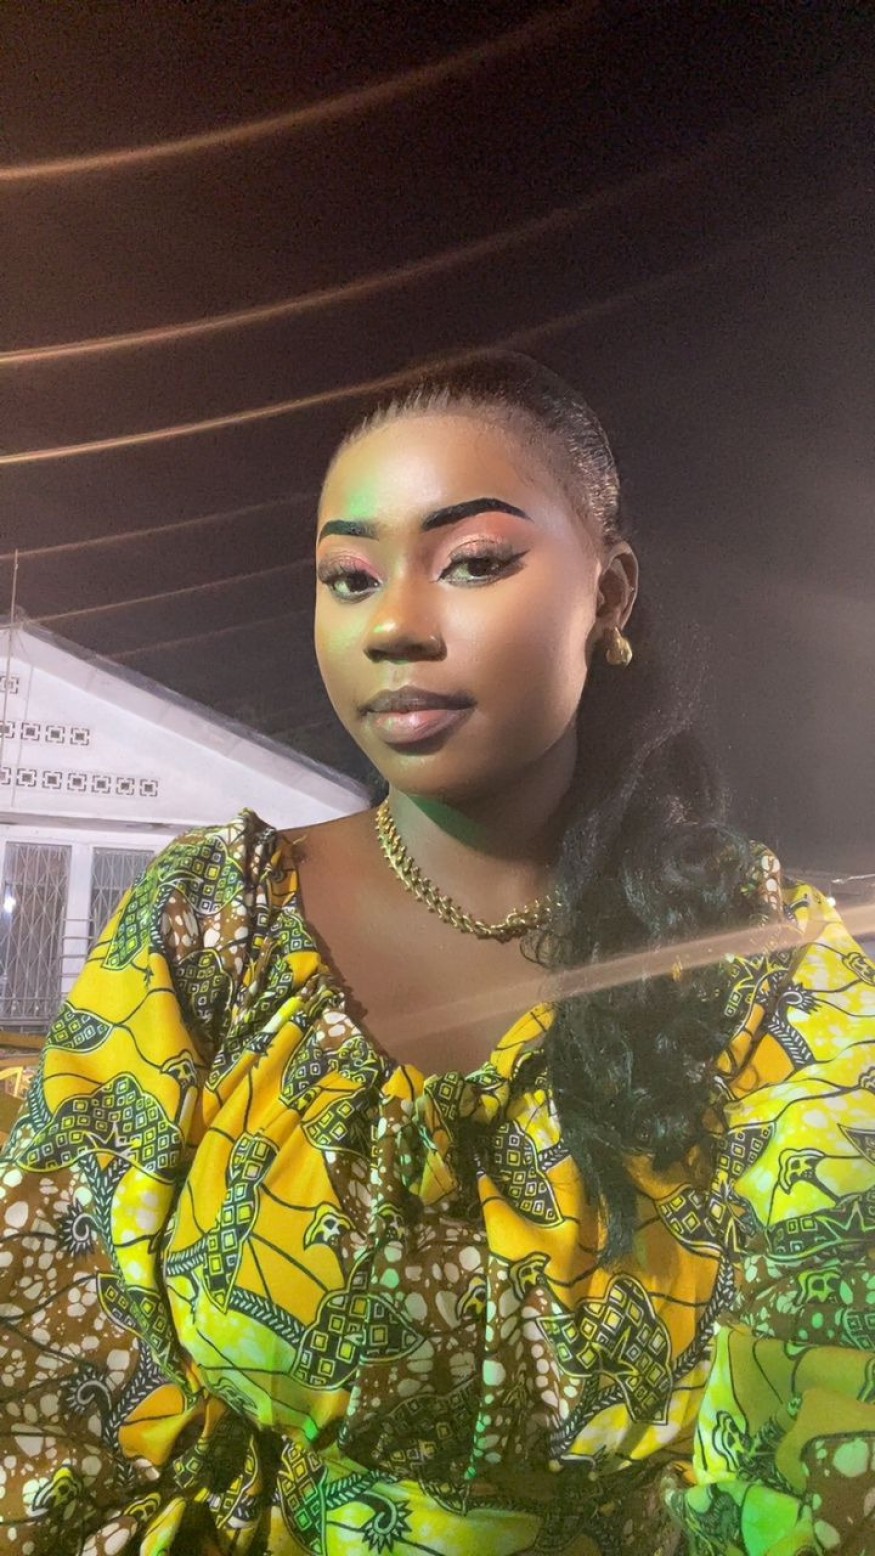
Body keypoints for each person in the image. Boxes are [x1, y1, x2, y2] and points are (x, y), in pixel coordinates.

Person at [1, 353, 873, 1556]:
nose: (394, 625)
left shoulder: (762, 966)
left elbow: (817, 1421)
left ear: (608, 594)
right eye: (348, 578)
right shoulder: (210, 930)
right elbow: (48, 1382)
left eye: (471, 561)